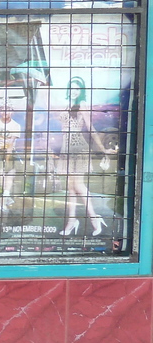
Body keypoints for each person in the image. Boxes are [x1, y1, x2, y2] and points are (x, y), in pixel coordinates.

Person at [58, 76, 117, 236]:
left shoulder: (82, 105)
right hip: (66, 148)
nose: (74, 91)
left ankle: (94, 217)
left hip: (78, 148)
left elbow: (91, 129)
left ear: (81, 91)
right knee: (70, 188)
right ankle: (71, 220)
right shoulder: (65, 105)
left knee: (78, 185)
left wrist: (103, 149)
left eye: (78, 88)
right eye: (72, 88)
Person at [0, 105, 22, 209]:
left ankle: (5, 195)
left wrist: (8, 158)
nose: (5, 112)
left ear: (12, 112)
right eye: (2, 110)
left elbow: (11, 144)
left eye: (8, 110)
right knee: (0, 171)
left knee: (11, 171)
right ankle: (6, 196)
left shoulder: (16, 125)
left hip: (9, 150)